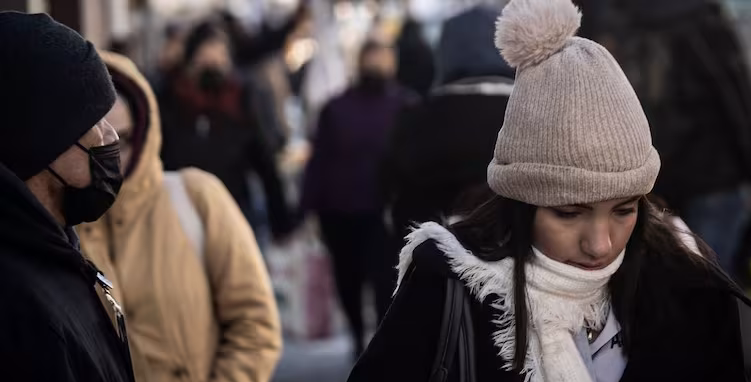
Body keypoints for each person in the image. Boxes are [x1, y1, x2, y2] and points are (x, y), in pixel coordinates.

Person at [326, 0, 749, 382]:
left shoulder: (692, 294)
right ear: (521, 203)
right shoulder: (446, 292)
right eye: (568, 213)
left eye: (624, 210)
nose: (600, 244)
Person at [76, 51, 283, 382]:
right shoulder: (63, 231)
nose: (112, 158)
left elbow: (254, 318)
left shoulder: (196, 197)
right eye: (95, 145)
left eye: (124, 139)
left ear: (145, 128)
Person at [0, 12, 147, 382]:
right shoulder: (20, 308)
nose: (108, 137)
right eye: (93, 122)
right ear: (39, 140)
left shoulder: (55, 250)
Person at [575, 0, 751, 273]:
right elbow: (736, 97)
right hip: (714, 175)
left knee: (652, 281)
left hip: (643, 181)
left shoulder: (598, 14)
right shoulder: (699, 12)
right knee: (709, 280)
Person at [301, 40, 416, 357]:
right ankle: (357, 337)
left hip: (386, 214)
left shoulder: (406, 106)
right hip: (341, 212)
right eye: (372, 59)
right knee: (348, 281)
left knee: (385, 283)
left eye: (383, 60)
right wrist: (308, 207)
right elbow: (319, 159)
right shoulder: (336, 108)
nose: (377, 66)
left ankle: (379, 346)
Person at [383, 4, 515, 255]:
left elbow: (391, 197)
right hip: (517, 268)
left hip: (433, 266)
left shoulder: (417, 120)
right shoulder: (534, 117)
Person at [158, 21, 295, 240]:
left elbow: (263, 160)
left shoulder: (240, 101)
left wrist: (280, 220)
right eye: (206, 58)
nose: (213, 65)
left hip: (233, 210)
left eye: (220, 58)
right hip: (181, 212)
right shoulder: (171, 100)